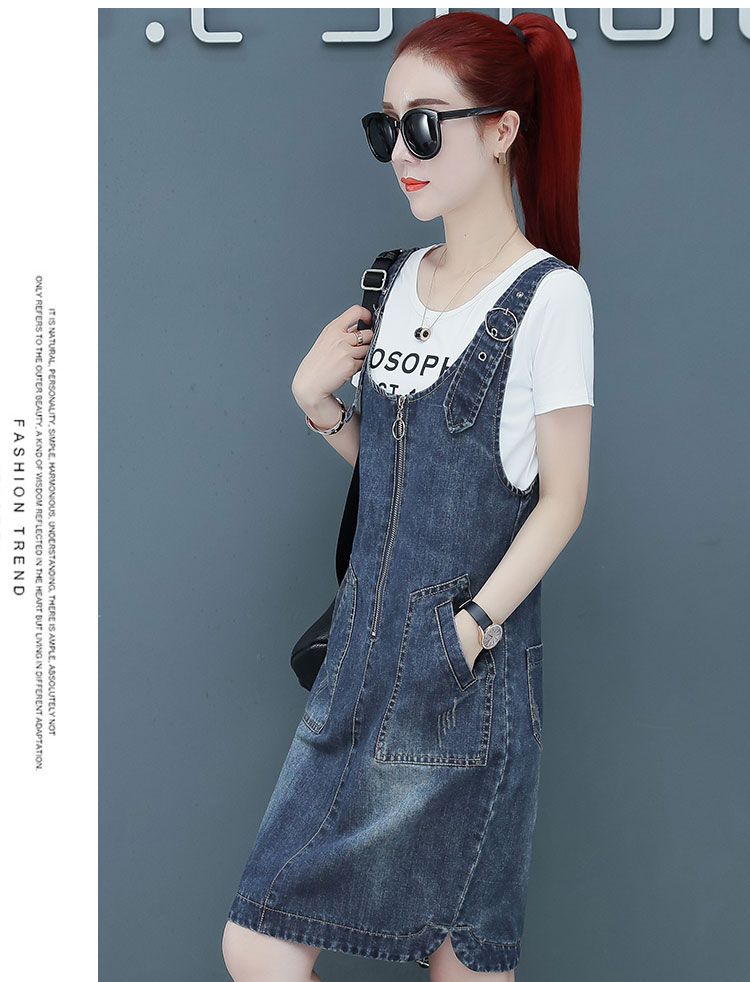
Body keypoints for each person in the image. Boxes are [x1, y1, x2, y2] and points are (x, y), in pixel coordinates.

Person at [222, 11, 593, 982]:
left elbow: (562, 500)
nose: (400, 153)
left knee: (459, 961)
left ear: (501, 130)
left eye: (424, 125)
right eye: (386, 128)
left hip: (460, 676)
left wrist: (466, 631)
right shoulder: (394, 282)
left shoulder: (549, 297)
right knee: (266, 943)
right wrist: (318, 407)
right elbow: (403, 480)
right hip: (360, 663)